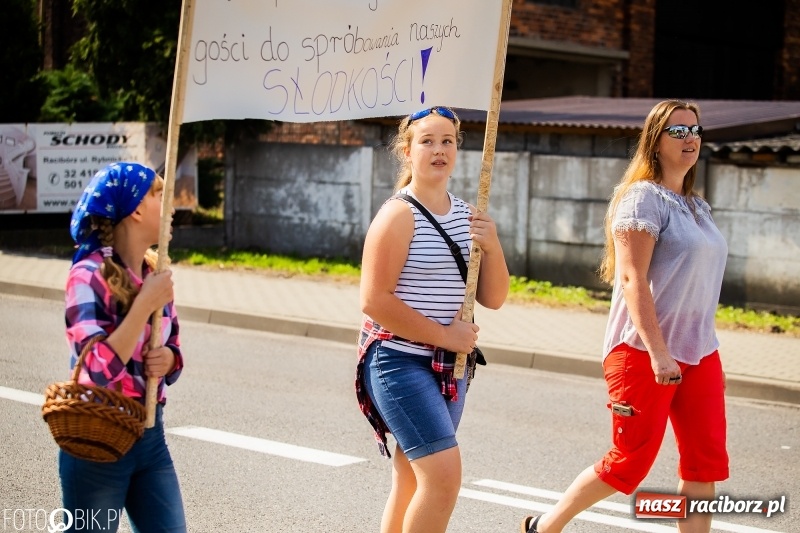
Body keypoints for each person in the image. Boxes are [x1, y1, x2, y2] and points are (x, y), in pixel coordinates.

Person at [520, 100, 729, 533]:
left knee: (704, 463)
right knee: (628, 463)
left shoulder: (697, 207)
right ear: (655, 140)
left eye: (695, 130)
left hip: (700, 351)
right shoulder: (641, 199)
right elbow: (633, 280)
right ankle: (545, 526)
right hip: (642, 352)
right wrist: (659, 354)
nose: (690, 138)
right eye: (678, 131)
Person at [355, 106, 510, 533]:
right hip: (398, 362)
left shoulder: (467, 215)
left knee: (410, 479)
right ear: (408, 151)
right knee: (443, 479)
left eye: (448, 141)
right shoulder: (397, 215)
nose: (439, 150)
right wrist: (446, 334)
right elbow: (373, 300)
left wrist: (492, 245)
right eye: (427, 141)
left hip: (449, 367)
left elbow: (494, 297)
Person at [61, 162, 186, 533]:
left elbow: (174, 348)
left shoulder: (154, 273)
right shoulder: (87, 275)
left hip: (150, 436)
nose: (172, 206)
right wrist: (144, 305)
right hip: (98, 438)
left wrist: (168, 359)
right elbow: (97, 367)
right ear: (135, 209)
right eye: (159, 195)